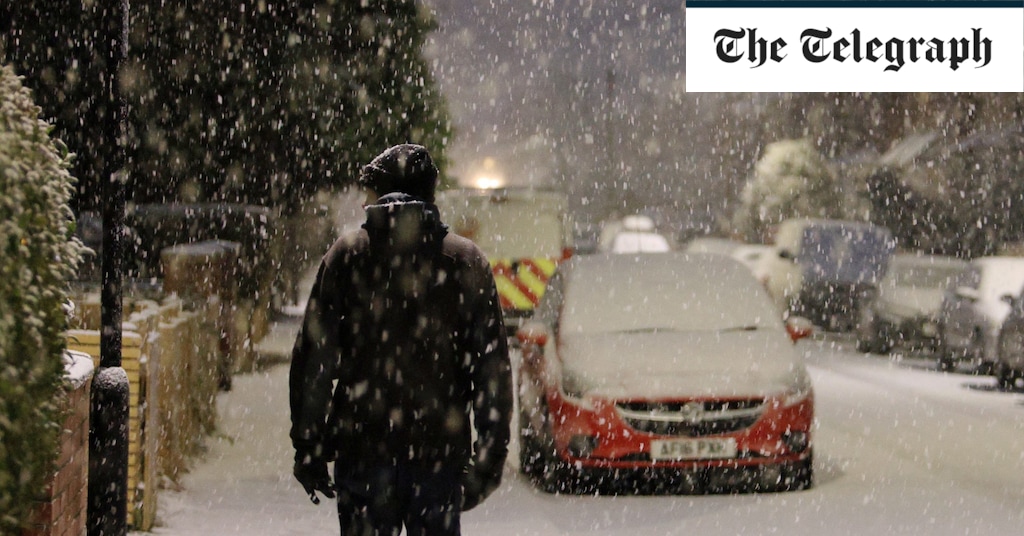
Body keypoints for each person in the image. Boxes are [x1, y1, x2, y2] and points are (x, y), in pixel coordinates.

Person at [289, 144, 513, 535]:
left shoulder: (347, 257)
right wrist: (490, 456)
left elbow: (314, 360)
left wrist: (309, 444)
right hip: (438, 458)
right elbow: (491, 367)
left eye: (369, 193)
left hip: (362, 456)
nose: (363, 202)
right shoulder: (465, 262)